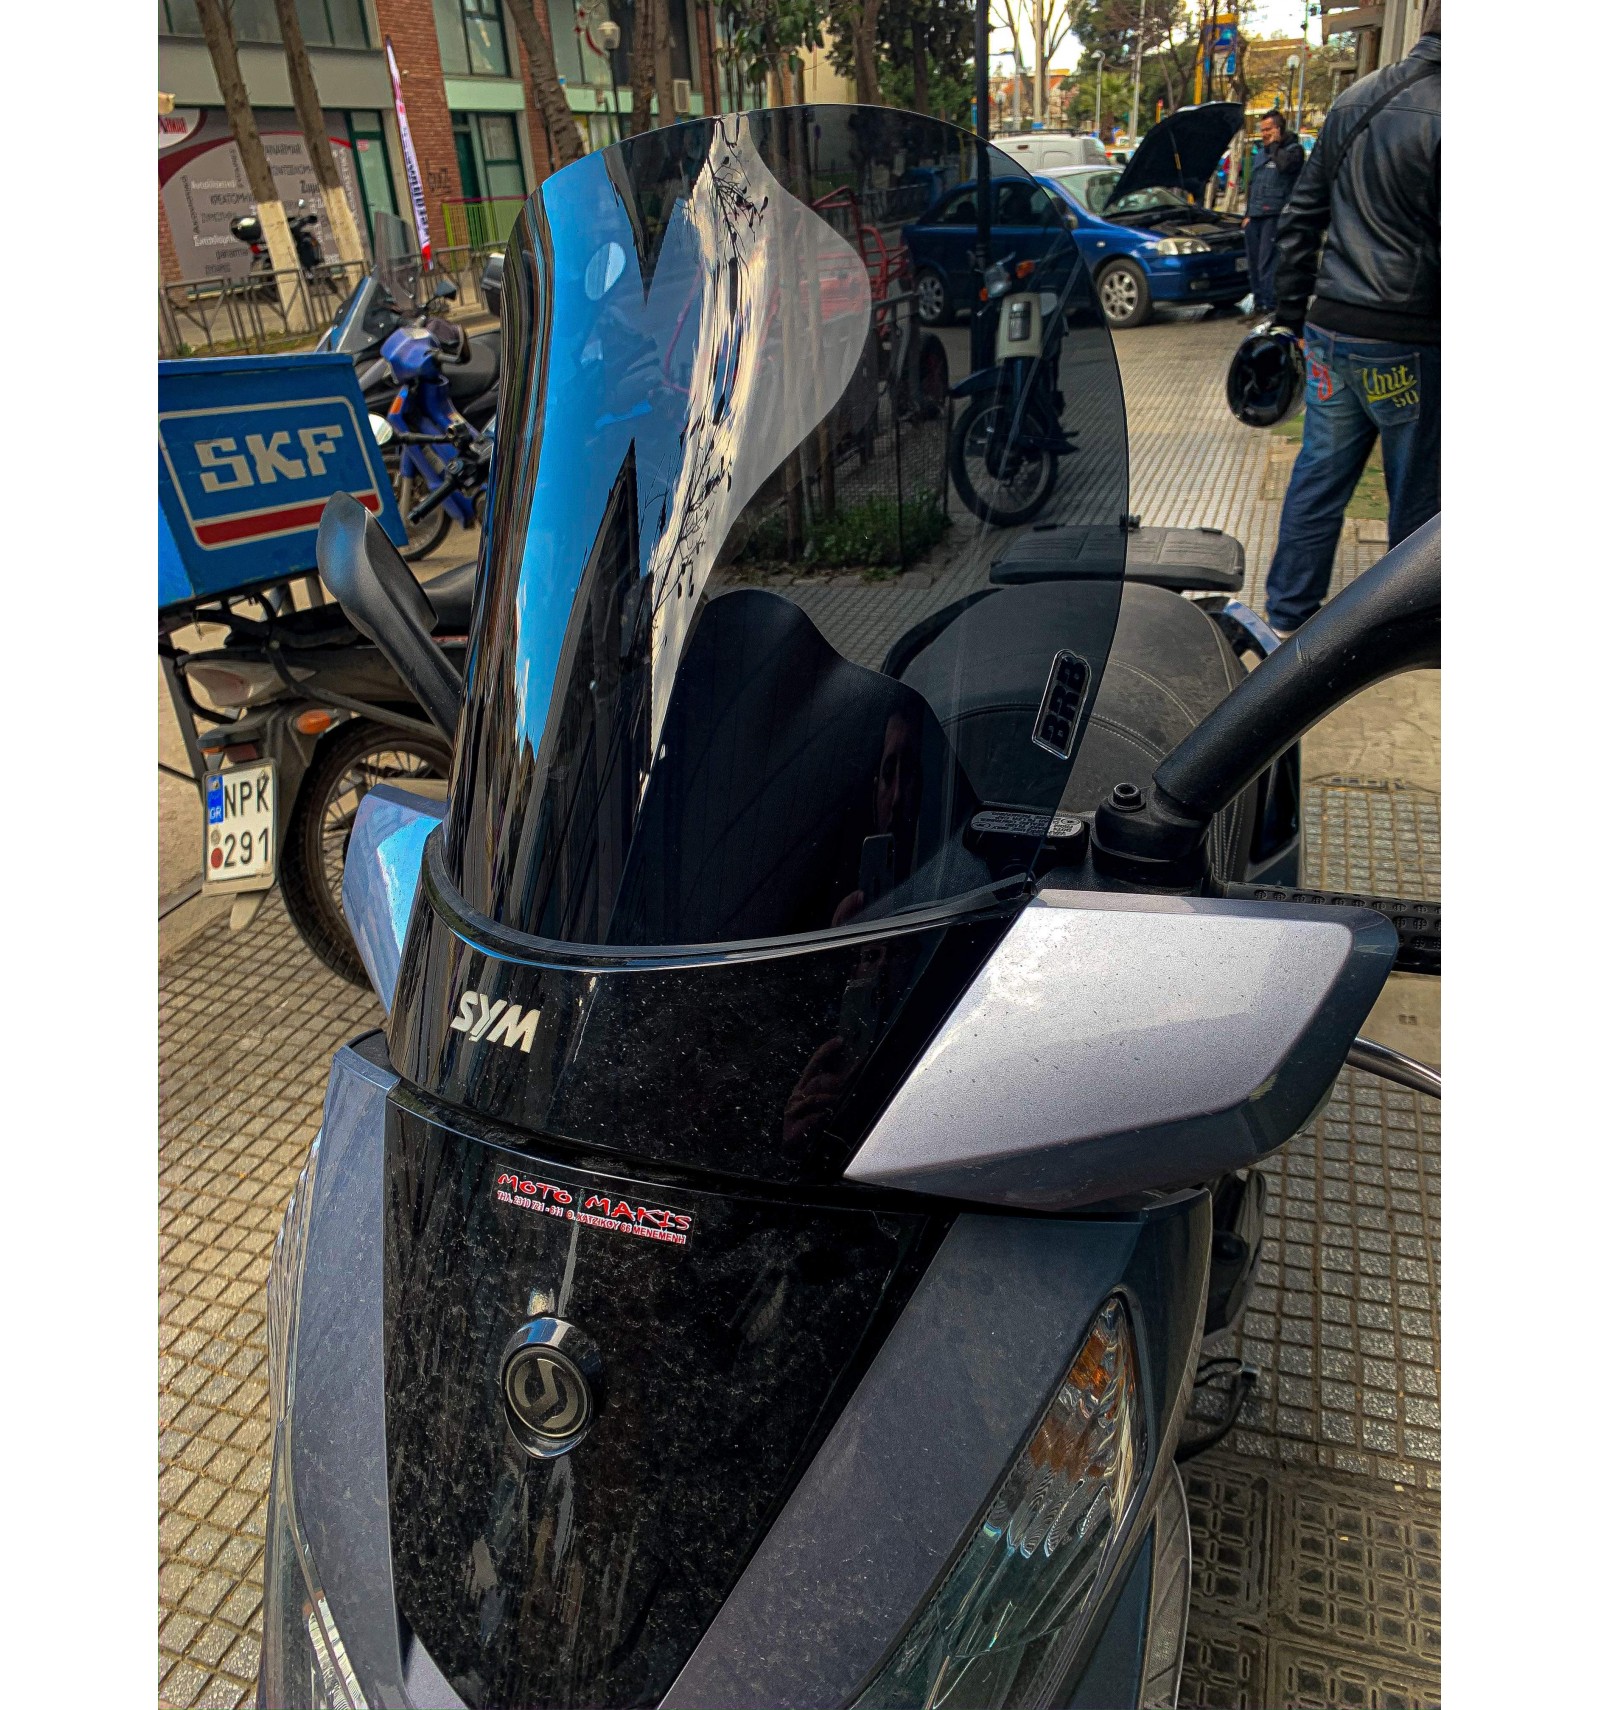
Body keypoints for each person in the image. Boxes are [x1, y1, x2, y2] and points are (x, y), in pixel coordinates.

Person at [1262, 2, 1440, 635]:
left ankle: (1285, 616)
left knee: (1318, 476)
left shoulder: (1354, 99)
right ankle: (1409, 632)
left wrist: (1290, 319)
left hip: (1331, 331)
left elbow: (1300, 217)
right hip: (1411, 336)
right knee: (1418, 500)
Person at [1242, 110, 1303, 315]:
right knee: (1253, 264)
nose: (1264, 134)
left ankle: (1270, 305)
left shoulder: (1293, 151)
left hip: (1274, 215)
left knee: (1267, 263)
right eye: (1262, 130)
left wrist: (1276, 146)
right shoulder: (1261, 153)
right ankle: (1259, 303)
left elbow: (1285, 167)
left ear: (1279, 129)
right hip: (1255, 216)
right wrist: (1247, 215)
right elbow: (1253, 183)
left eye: (1268, 129)